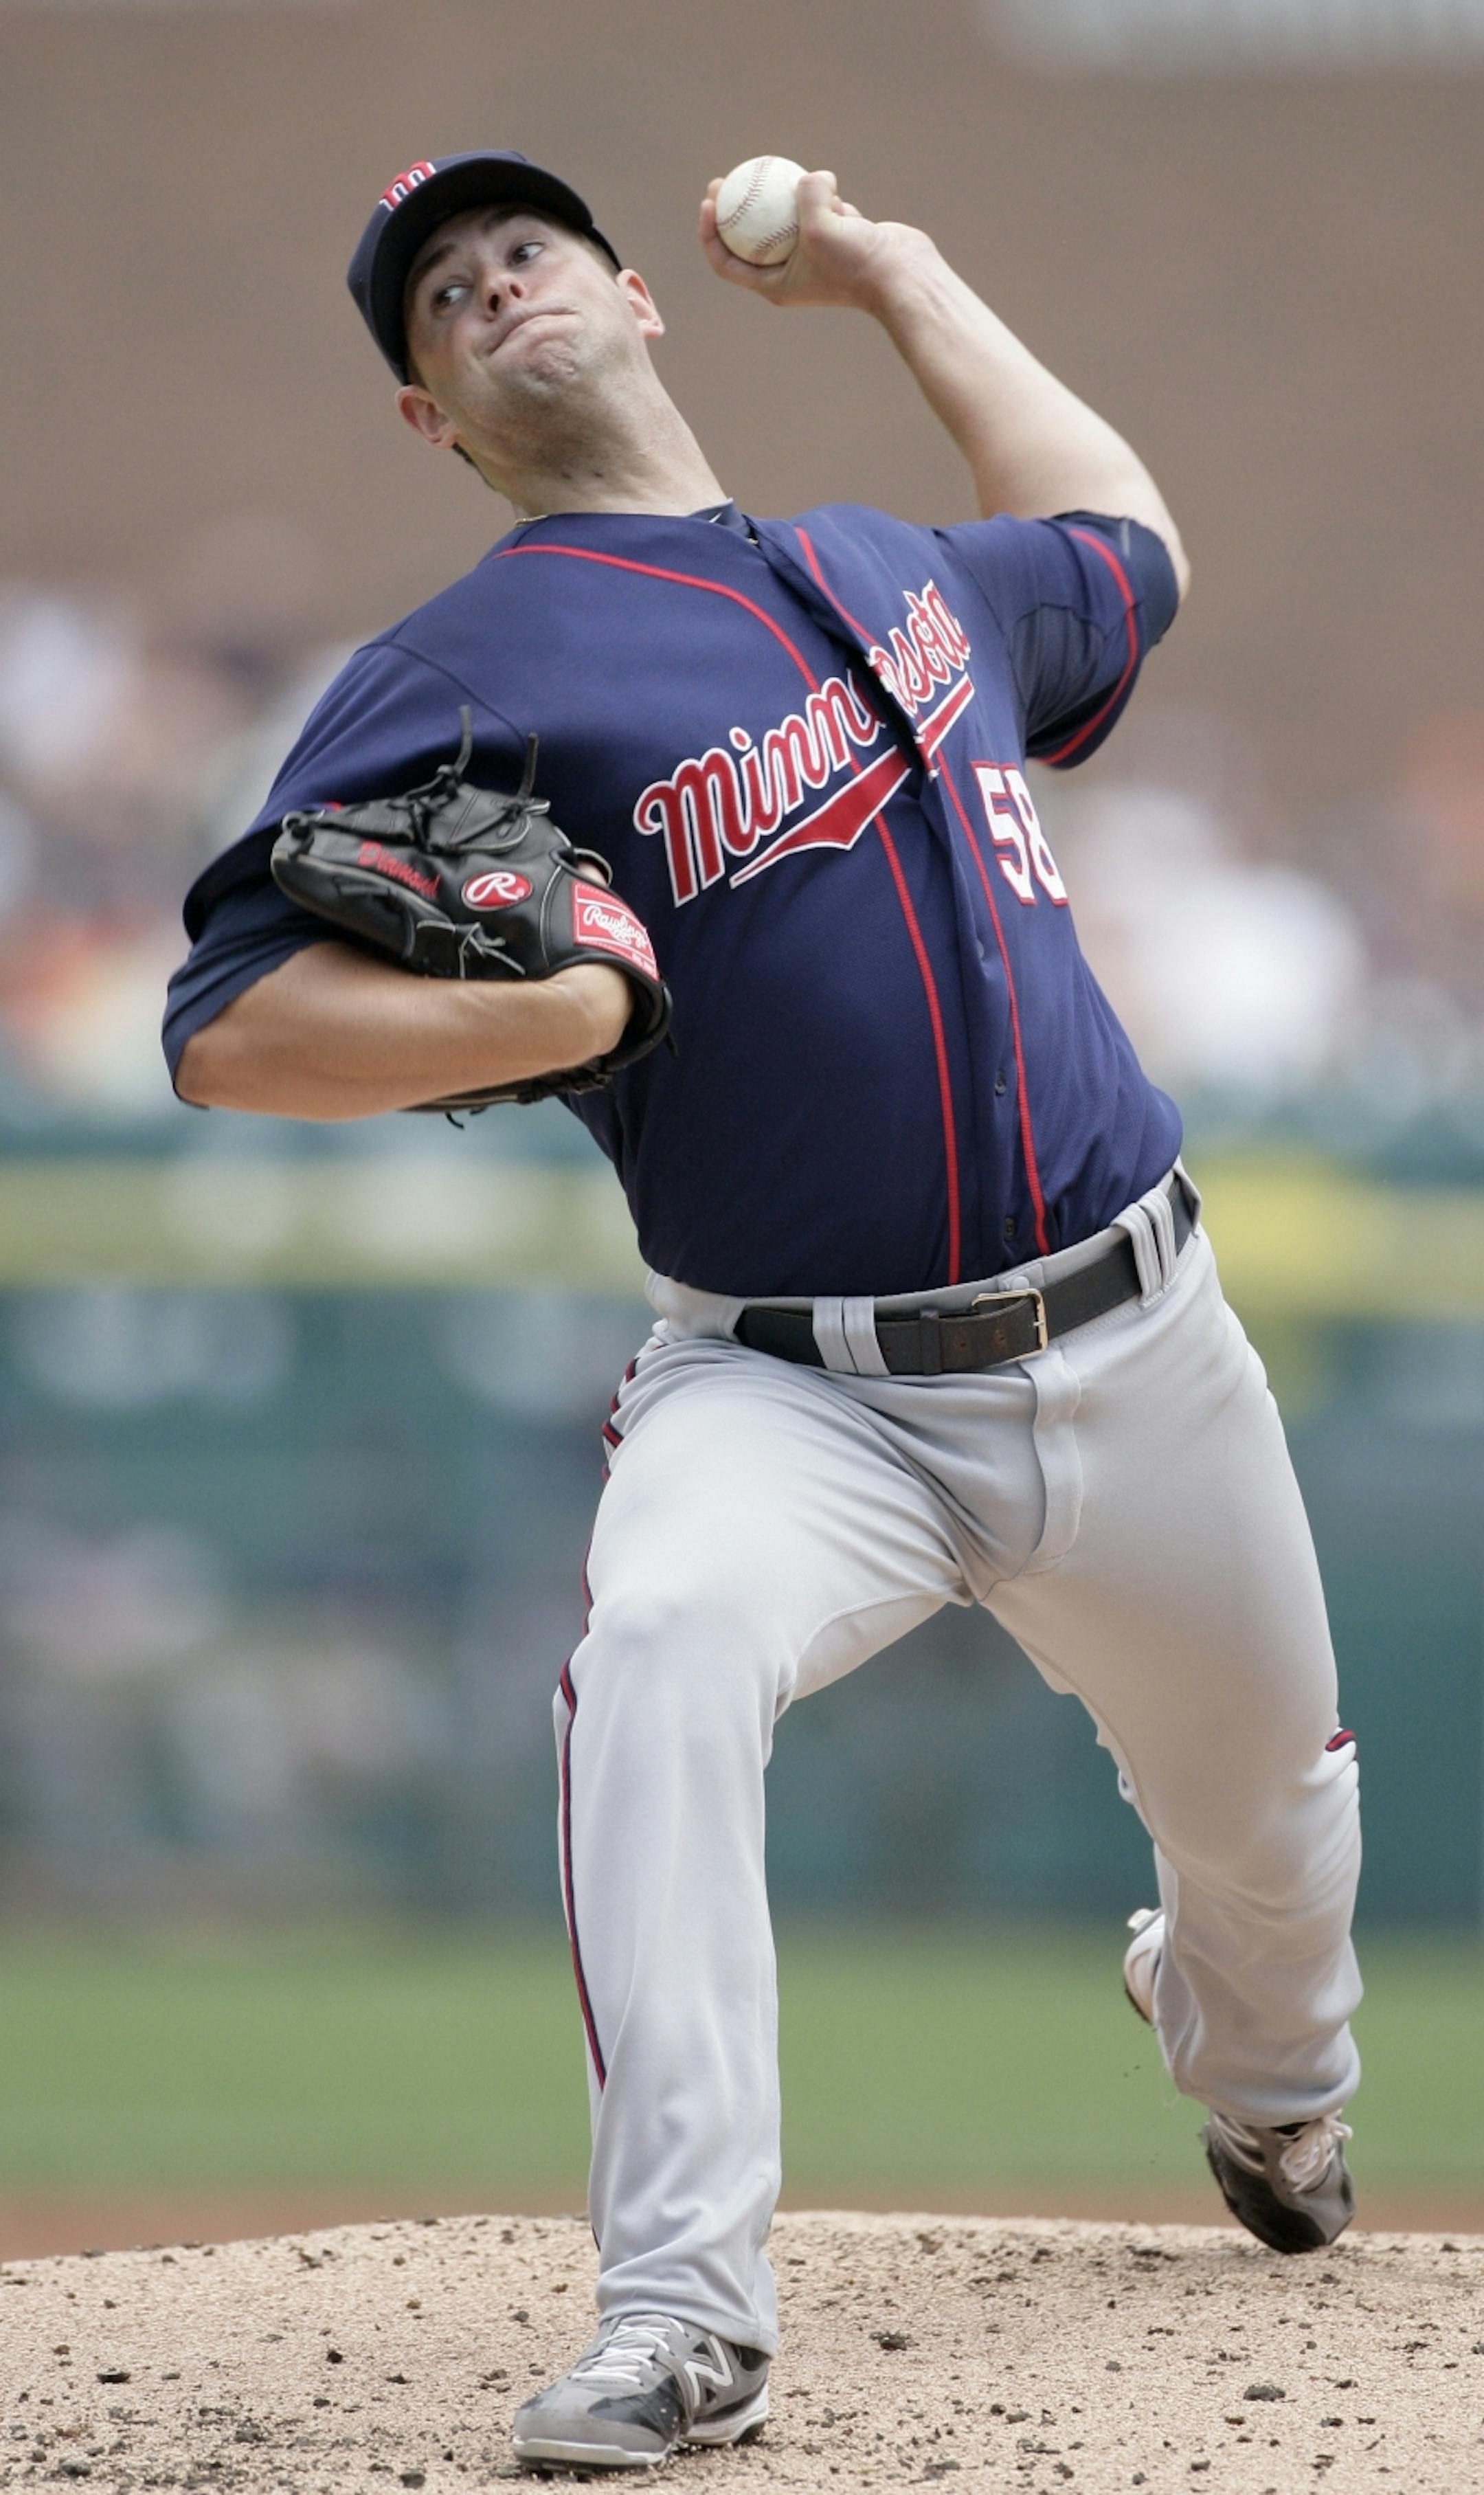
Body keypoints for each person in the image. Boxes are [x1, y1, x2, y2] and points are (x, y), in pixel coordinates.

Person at [163, 150, 1361, 2476]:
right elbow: (227, 1025)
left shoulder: (888, 565)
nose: (492, 285)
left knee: (1276, 1888)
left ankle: (1260, 2086)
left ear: (635, 296)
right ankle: (682, 2310)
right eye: (440, 296)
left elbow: (1130, 552)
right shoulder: (460, 671)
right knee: (662, 1656)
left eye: (522, 251)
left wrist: (904, 274)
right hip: (796, 1390)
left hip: (1141, 1327)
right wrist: (542, 1027)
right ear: (434, 416)